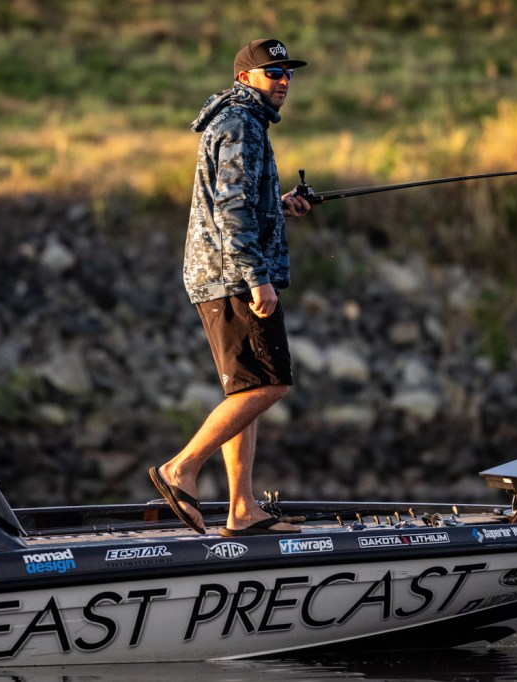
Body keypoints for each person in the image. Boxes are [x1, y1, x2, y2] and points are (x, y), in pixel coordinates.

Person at [149, 38, 312, 536]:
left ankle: (241, 510)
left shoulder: (240, 121)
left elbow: (238, 199)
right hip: (233, 276)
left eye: (288, 72)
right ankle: (181, 469)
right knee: (271, 383)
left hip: (221, 272)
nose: (283, 80)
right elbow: (232, 209)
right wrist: (258, 279)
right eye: (273, 72)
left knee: (247, 388)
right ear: (245, 78)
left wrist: (279, 204)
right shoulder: (241, 124)